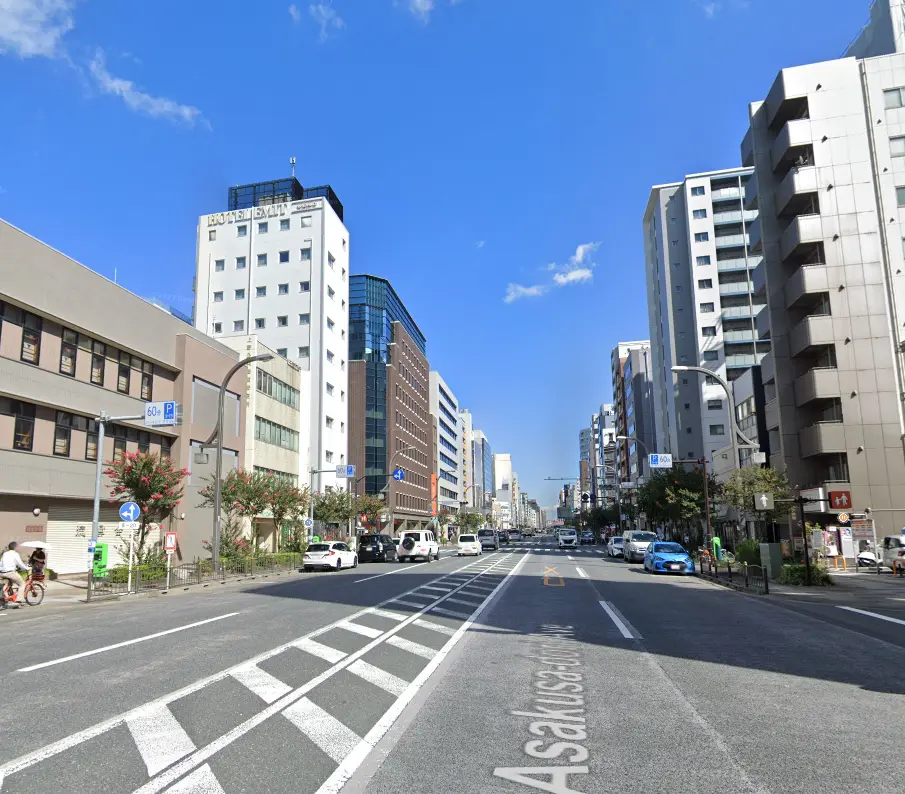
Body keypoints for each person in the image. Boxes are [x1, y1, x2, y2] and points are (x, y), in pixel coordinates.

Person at [0, 541, 30, 608]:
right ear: (15, 547)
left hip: (1, 572)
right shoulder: (15, 554)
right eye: (18, 546)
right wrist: (27, 568)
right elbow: (20, 564)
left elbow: (1, 563)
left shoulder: (5, 553)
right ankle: (19, 600)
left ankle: (6, 597)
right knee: (22, 584)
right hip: (10, 572)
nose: (18, 548)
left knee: (8, 584)